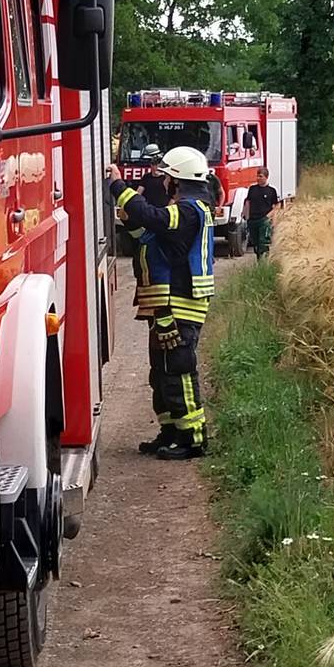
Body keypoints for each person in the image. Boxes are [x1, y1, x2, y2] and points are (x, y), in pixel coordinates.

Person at [111, 145, 218, 460]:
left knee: (179, 370)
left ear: (178, 179)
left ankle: (193, 439)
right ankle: (171, 431)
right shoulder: (187, 209)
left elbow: (153, 217)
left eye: (168, 176)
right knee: (162, 373)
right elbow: (149, 234)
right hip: (168, 304)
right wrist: (130, 220)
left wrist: (118, 186)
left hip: (180, 304)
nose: (164, 182)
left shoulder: (188, 209)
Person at [243, 180, 279, 258]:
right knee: (255, 243)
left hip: (264, 219)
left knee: (263, 242)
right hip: (252, 219)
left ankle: (265, 260)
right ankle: (259, 260)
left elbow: (276, 207)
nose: (258, 178)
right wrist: (246, 216)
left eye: (261, 176)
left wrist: (270, 218)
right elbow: (248, 202)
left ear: (266, 177)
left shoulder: (271, 191)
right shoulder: (252, 189)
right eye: (258, 176)